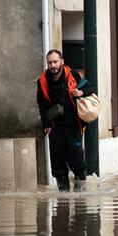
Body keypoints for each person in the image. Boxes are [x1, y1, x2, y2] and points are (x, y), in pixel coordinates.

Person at [36, 49, 94, 192]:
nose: (52, 65)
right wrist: (47, 125)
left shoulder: (73, 74)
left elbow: (90, 88)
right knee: (57, 161)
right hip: (55, 126)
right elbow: (41, 105)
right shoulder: (42, 81)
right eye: (50, 63)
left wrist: (81, 92)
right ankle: (64, 194)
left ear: (62, 62)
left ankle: (80, 189)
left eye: (55, 62)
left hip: (74, 124)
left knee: (76, 158)